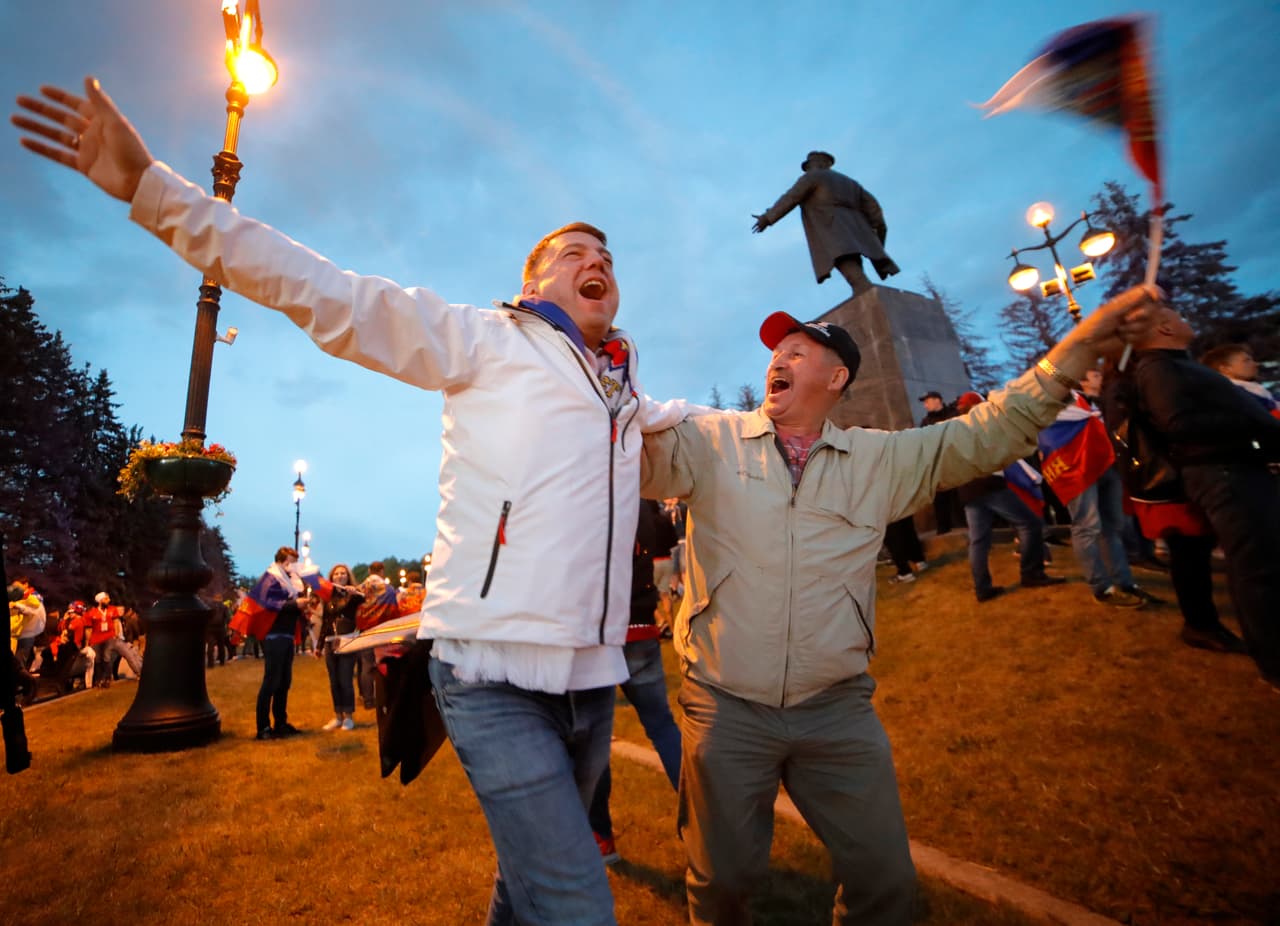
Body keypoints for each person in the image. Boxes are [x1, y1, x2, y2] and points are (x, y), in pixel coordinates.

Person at [13, 77, 702, 925]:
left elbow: (716, 434)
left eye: (607, 258)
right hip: (489, 673)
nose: (596, 263)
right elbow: (325, 290)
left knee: (526, 888)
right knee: (575, 903)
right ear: (532, 284)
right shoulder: (484, 340)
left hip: (591, 679)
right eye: (574, 254)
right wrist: (152, 190)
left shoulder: (625, 397)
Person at [640, 289, 1156, 925]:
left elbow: (992, 432)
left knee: (885, 882)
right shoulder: (711, 440)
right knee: (722, 881)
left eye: (797, 351)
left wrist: (1080, 347)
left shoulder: (879, 459)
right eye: (777, 352)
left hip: (836, 710)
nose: (779, 359)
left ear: (837, 378)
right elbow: (625, 460)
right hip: (725, 707)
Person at [1117, 305, 1280, 687]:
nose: (1183, 318)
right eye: (1175, 315)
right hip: (1223, 473)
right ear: (1163, 328)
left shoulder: (1174, 364)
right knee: (1257, 569)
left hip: (1234, 469)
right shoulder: (1158, 368)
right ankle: (1274, 662)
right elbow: (1178, 423)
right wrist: (1251, 424)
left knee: (1264, 561)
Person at [588, 499, 682, 864]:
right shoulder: (640, 502)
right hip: (640, 624)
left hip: (601, 632)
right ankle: (707, 824)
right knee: (663, 727)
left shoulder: (587, 494)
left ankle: (601, 836)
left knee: (594, 741)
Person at [1039, 367, 1147, 608]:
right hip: (1078, 470)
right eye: (1094, 374)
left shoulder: (1096, 401)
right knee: (1087, 526)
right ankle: (1101, 587)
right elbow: (1049, 436)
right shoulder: (1052, 404)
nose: (1101, 376)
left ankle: (1124, 581)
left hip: (1107, 465)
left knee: (1112, 527)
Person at [953, 394, 1066, 602]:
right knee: (1030, 524)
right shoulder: (984, 425)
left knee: (978, 540)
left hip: (967, 490)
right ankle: (1031, 573)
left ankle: (982, 588)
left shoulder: (955, 430)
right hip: (990, 485)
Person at [751, 151, 900, 297]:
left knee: (843, 258)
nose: (807, 169)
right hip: (858, 226)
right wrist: (878, 239)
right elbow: (875, 210)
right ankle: (863, 290)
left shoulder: (813, 176)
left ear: (820, 164)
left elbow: (791, 197)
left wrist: (767, 218)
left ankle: (864, 290)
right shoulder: (852, 184)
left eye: (809, 165)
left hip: (830, 224)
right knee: (852, 258)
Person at [252, 547, 306, 741]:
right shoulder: (271, 577)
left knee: (284, 681)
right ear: (282, 561)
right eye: (291, 561)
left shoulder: (287, 580)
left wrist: (300, 605)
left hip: (286, 635)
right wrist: (295, 604)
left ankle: (280, 723)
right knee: (271, 681)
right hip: (274, 636)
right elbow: (267, 602)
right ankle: (263, 727)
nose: (294, 565)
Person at [318, 564, 363, 732]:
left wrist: (353, 593)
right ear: (332, 577)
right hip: (330, 641)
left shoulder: (354, 596)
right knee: (334, 681)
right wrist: (319, 645)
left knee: (345, 679)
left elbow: (365, 601)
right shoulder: (328, 597)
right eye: (336, 573)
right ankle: (338, 716)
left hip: (347, 641)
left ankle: (348, 717)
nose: (340, 575)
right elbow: (325, 622)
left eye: (343, 573)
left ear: (348, 576)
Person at [917, 391, 962, 533]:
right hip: (939, 464)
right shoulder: (926, 422)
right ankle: (943, 526)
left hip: (958, 460)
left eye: (927, 401)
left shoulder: (954, 415)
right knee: (941, 496)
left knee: (959, 494)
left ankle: (961, 523)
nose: (925, 405)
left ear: (937, 400)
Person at [1200, 343, 1280, 417]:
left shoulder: (1250, 390)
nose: (1256, 364)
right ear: (1225, 369)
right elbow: (1267, 418)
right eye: (1246, 361)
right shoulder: (1235, 396)